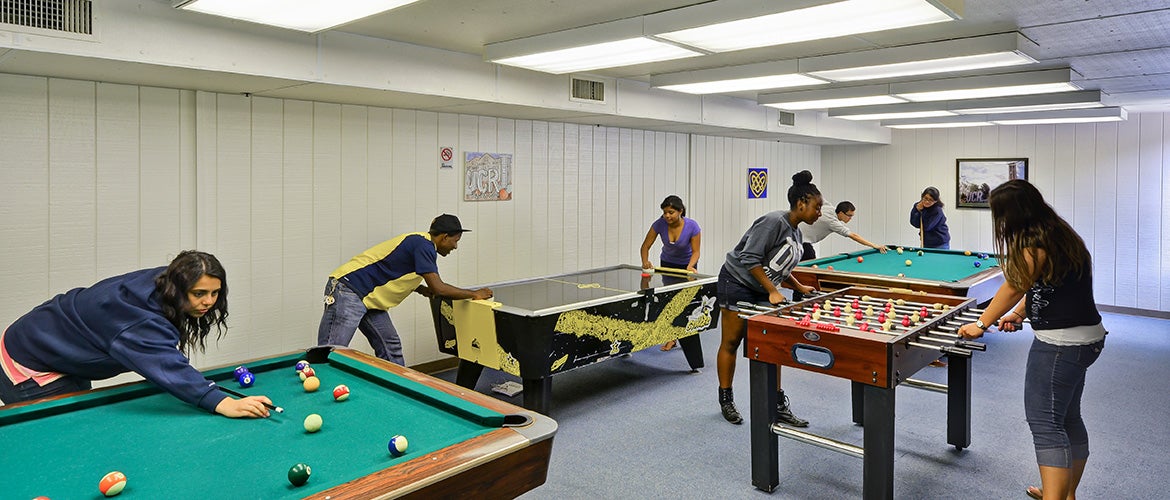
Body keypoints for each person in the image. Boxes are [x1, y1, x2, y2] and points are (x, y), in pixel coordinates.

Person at [957, 180, 1106, 500]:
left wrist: (982, 323)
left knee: (1045, 424)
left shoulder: (1029, 245)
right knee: (1067, 418)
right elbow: (1042, 284)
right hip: (1088, 339)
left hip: (1060, 345)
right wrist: (1021, 313)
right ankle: (1065, 493)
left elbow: (1012, 287)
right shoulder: (1059, 233)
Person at [0, 251, 271, 418]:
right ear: (177, 288)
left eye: (215, 293)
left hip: (57, 346)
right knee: (67, 441)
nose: (209, 301)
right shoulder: (137, 320)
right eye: (199, 294)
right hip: (27, 364)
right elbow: (165, 363)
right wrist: (221, 402)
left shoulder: (164, 281)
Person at [716, 170, 821, 426]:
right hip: (736, 282)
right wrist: (773, 291)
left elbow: (779, 267)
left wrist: (798, 286)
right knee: (732, 341)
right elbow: (749, 258)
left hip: (760, 286)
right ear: (801, 203)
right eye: (817, 207)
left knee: (772, 343)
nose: (819, 212)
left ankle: (777, 404)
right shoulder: (773, 222)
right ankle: (726, 399)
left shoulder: (796, 232)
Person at [318, 214, 493, 365]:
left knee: (390, 345)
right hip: (348, 290)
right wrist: (475, 294)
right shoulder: (423, 245)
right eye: (455, 241)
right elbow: (439, 288)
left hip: (367, 298)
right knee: (333, 350)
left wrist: (421, 289)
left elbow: (394, 268)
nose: (455, 247)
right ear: (444, 237)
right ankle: (319, 391)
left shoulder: (420, 243)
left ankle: (398, 390)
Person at [640, 195, 702, 351]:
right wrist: (645, 262)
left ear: (680, 211)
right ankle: (671, 337)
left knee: (685, 302)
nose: (667, 216)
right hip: (667, 265)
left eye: (671, 212)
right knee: (669, 302)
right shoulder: (659, 224)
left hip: (687, 266)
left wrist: (690, 266)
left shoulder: (692, 226)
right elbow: (645, 247)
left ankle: (688, 337)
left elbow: (696, 252)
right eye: (665, 212)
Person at [800, 201, 888, 261]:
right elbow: (854, 236)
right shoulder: (832, 222)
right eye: (849, 216)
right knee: (810, 266)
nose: (850, 218)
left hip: (798, 236)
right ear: (841, 213)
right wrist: (875, 246)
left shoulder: (828, 206)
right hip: (799, 240)